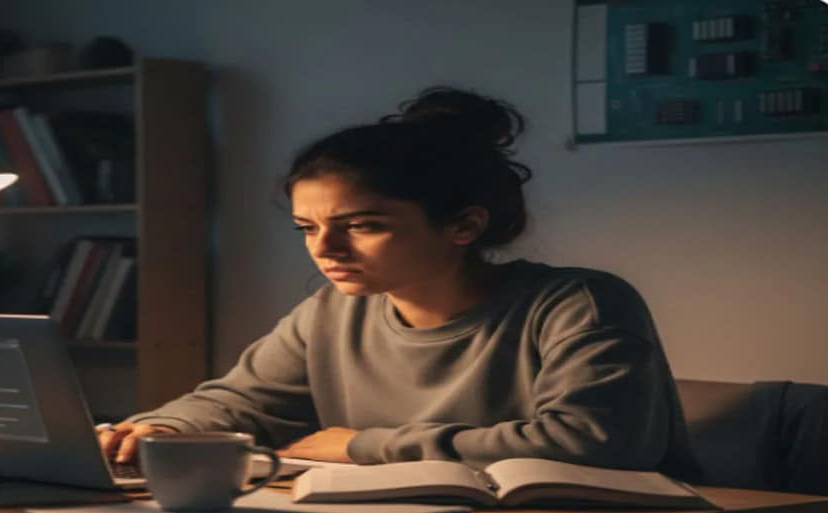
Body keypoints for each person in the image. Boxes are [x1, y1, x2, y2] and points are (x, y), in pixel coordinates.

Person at [99, 86, 699, 479]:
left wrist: (363, 445)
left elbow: (595, 444)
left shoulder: (578, 303)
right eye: (307, 226)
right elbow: (240, 400)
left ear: (464, 224)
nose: (324, 249)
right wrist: (163, 427)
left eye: (362, 226)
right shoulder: (332, 311)